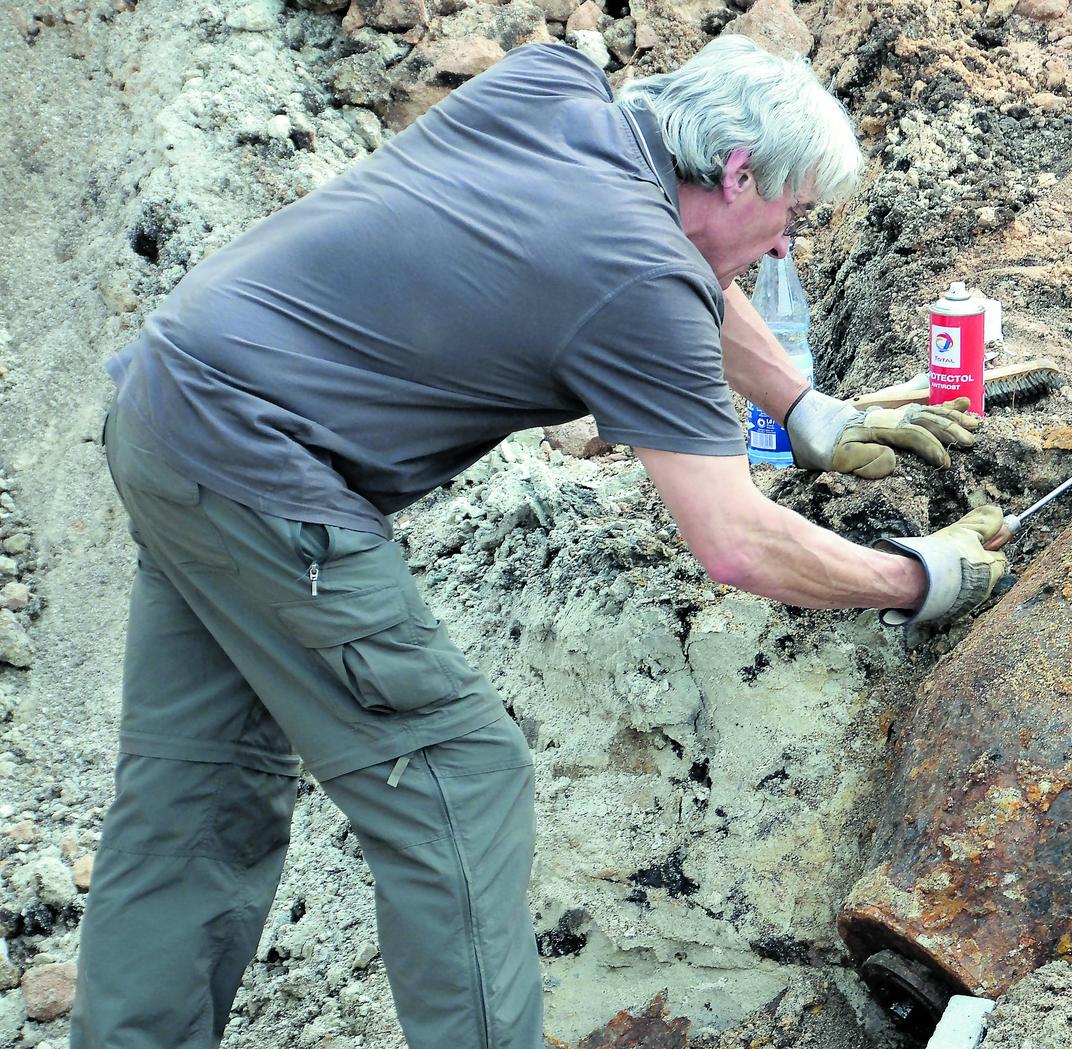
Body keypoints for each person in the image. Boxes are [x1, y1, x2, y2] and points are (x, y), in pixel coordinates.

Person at [71, 35, 1006, 1049]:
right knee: (458, 778)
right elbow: (733, 541)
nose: (785, 247)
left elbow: (679, 253)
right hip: (265, 476)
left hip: (166, 407)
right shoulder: (638, 280)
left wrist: (800, 402)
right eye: (791, 215)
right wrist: (914, 576)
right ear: (739, 173)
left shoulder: (553, 89)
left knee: (195, 784)